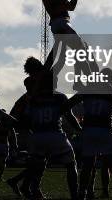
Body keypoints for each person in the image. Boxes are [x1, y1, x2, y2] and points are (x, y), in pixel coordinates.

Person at [65, 71, 112, 200]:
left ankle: (82, 193)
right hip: (106, 130)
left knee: (87, 165)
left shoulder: (88, 89)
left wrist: (76, 126)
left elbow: (67, 105)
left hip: (88, 131)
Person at [26, 72, 81, 200]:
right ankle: (74, 195)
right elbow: (69, 116)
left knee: (38, 165)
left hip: (38, 135)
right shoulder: (60, 97)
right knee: (71, 165)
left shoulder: (34, 98)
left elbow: (28, 118)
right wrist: (79, 129)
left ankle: (35, 191)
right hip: (55, 134)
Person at [40, 0, 96, 90]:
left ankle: (49, 78)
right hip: (60, 23)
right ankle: (88, 81)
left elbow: (71, 6)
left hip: (60, 24)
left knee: (62, 57)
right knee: (81, 47)